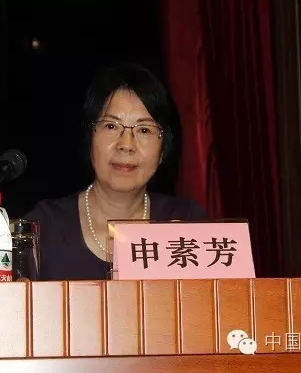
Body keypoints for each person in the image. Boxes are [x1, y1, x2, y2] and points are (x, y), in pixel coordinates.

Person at [24, 61, 208, 280]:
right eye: (111, 126)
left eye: (144, 130)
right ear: (90, 139)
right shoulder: (44, 227)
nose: (126, 144)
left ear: (163, 150)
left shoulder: (186, 222)